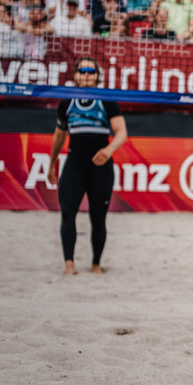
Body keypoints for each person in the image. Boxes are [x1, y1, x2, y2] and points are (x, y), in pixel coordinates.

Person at [47, 57, 128, 275]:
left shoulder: (107, 100)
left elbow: (121, 132)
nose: (86, 74)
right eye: (82, 71)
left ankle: (95, 265)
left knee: (98, 217)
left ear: (97, 76)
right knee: (67, 212)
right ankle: (69, 264)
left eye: (90, 71)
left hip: (100, 166)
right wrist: (52, 163)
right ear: (75, 75)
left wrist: (109, 150)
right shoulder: (67, 102)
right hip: (75, 164)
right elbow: (58, 137)